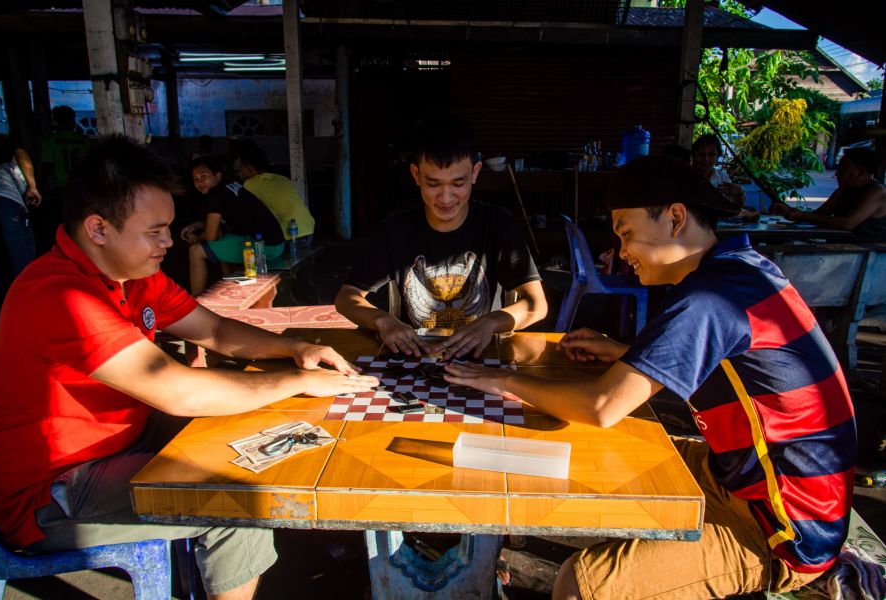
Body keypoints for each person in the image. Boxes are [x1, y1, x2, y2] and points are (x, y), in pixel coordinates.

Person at [445, 155, 856, 599]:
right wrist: (626, 353)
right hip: (740, 476)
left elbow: (602, 406)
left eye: (626, 233)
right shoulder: (743, 269)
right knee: (598, 451)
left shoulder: (709, 297)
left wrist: (499, 380)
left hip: (782, 528)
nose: (622, 252)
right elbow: (733, 366)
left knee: (581, 584)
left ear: (675, 218)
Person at [0, 135, 378, 600]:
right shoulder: (60, 296)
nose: (168, 242)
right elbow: (177, 391)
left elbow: (214, 329)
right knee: (236, 502)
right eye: (154, 231)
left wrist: (294, 349)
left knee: (255, 426)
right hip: (51, 494)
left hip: (123, 441)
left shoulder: (136, 277)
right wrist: (297, 380)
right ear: (98, 229)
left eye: (169, 228)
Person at [334, 114, 548, 359]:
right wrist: (384, 321)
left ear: (475, 172)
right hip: (415, 356)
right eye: (434, 184)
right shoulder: (396, 230)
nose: (446, 198)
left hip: (479, 358)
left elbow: (537, 304)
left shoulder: (498, 224)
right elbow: (345, 298)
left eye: (458, 183)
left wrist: (492, 322)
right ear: (416, 174)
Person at [181, 154, 286, 294]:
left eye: (204, 176)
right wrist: (195, 226)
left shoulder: (215, 194)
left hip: (263, 248)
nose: (199, 182)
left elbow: (210, 235)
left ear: (217, 175)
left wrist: (196, 238)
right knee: (222, 238)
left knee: (195, 250)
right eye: (195, 179)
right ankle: (230, 284)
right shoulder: (231, 186)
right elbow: (215, 221)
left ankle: (196, 300)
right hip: (276, 243)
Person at [0, 142, 41, 342]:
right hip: (7, 205)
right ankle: (30, 324)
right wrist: (33, 187)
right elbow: (20, 152)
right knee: (24, 267)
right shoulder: (11, 167)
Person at [774, 147, 886, 239]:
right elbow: (818, 214)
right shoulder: (844, 190)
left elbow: (848, 224)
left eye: (842, 170)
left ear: (860, 172)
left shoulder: (876, 191)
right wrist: (791, 212)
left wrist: (803, 216)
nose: (837, 174)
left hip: (868, 253)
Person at [36, 105, 91, 253]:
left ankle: (69, 249)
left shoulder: (50, 141)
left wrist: (38, 186)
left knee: (65, 221)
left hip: (64, 186)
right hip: (83, 186)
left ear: (55, 121)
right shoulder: (83, 141)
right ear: (73, 120)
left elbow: (47, 166)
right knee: (82, 219)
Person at [239, 142, 315, 249]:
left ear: (249, 168)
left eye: (240, 168)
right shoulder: (282, 179)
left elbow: (245, 214)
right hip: (308, 231)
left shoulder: (250, 184)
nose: (240, 172)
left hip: (289, 236)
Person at [691, 133, 758, 219]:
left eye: (711, 155)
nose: (706, 158)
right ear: (693, 155)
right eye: (701, 154)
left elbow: (735, 208)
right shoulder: (686, 176)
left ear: (717, 157)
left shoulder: (722, 177)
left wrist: (738, 193)